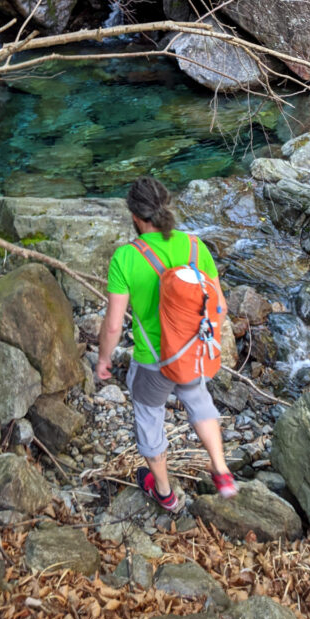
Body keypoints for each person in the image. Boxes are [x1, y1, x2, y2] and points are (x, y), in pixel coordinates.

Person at [97, 175, 238, 511]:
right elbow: (221, 306)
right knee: (197, 398)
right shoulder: (194, 246)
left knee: (148, 415)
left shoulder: (126, 259)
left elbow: (114, 324)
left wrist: (103, 359)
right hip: (193, 355)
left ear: (134, 216)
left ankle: (164, 493)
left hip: (153, 362)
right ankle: (221, 469)